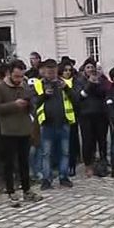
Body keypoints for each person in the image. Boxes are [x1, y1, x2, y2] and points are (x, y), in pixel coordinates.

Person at [0, 60, 42, 206]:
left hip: (24, 129)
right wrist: (14, 105)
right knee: (9, 163)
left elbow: (32, 103)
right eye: (17, 76)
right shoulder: (0, 88)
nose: (19, 79)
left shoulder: (24, 86)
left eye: (21, 76)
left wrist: (31, 105)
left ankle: (27, 190)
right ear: (10, 73)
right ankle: (11, 191)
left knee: (24, 162)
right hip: (8, 130)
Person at [32, 59, 76, 190]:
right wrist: (44, 95)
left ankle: (64, 177)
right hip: (47, 124)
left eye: (53, 71)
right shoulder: (38, 84)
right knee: (46, 154)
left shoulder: (65, 83)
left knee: (65, 152)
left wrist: (67, 89)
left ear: (57, 70)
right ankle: (47, 180)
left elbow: (76, 99)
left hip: (63, 123)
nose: (51, 74)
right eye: (48, 71)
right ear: (44, 71)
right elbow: (34, 102)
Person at [76, 58, 109, 178]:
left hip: (100, 114)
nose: (90, 70)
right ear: (84, 69)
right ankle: (88, 164)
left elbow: (104, 93)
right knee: (88, 141)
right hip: (86, 115)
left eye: (92, 67)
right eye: (88, 67)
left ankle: (103, 162)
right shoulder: (79, 81)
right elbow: (81, 96)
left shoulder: (101, 79)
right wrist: (90, 83)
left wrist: (98, 83)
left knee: (102, 140)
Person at [59, 59, 81, 176]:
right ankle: (62, 167)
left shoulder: (75, 82)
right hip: (59, 117)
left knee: (71, 144)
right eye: (65, 70)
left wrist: (66, 88)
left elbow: (76, 98)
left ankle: (71, 166)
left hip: (72, 117)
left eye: (69, 70)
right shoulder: (56, 82)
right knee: (60, 145)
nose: (67, 72)